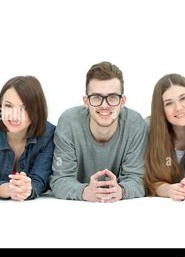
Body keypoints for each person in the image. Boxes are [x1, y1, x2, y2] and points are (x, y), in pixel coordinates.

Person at [50, 61, 147, 202]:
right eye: (96, 97)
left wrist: (121, 190)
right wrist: (85, 192)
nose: (104, 105)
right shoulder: (69, 123)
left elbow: (139, 179)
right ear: (86, 101)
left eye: (113, 97)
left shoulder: (135, 124)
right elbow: (59, 179)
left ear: (123, 101)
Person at [0, 76, 55, 201]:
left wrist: (27, 188)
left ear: (37, 110)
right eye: (8, 106)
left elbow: (40, 179)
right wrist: (9, 189)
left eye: (25, 108)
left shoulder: (49, 134)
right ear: (0, 107)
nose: (14, 116)